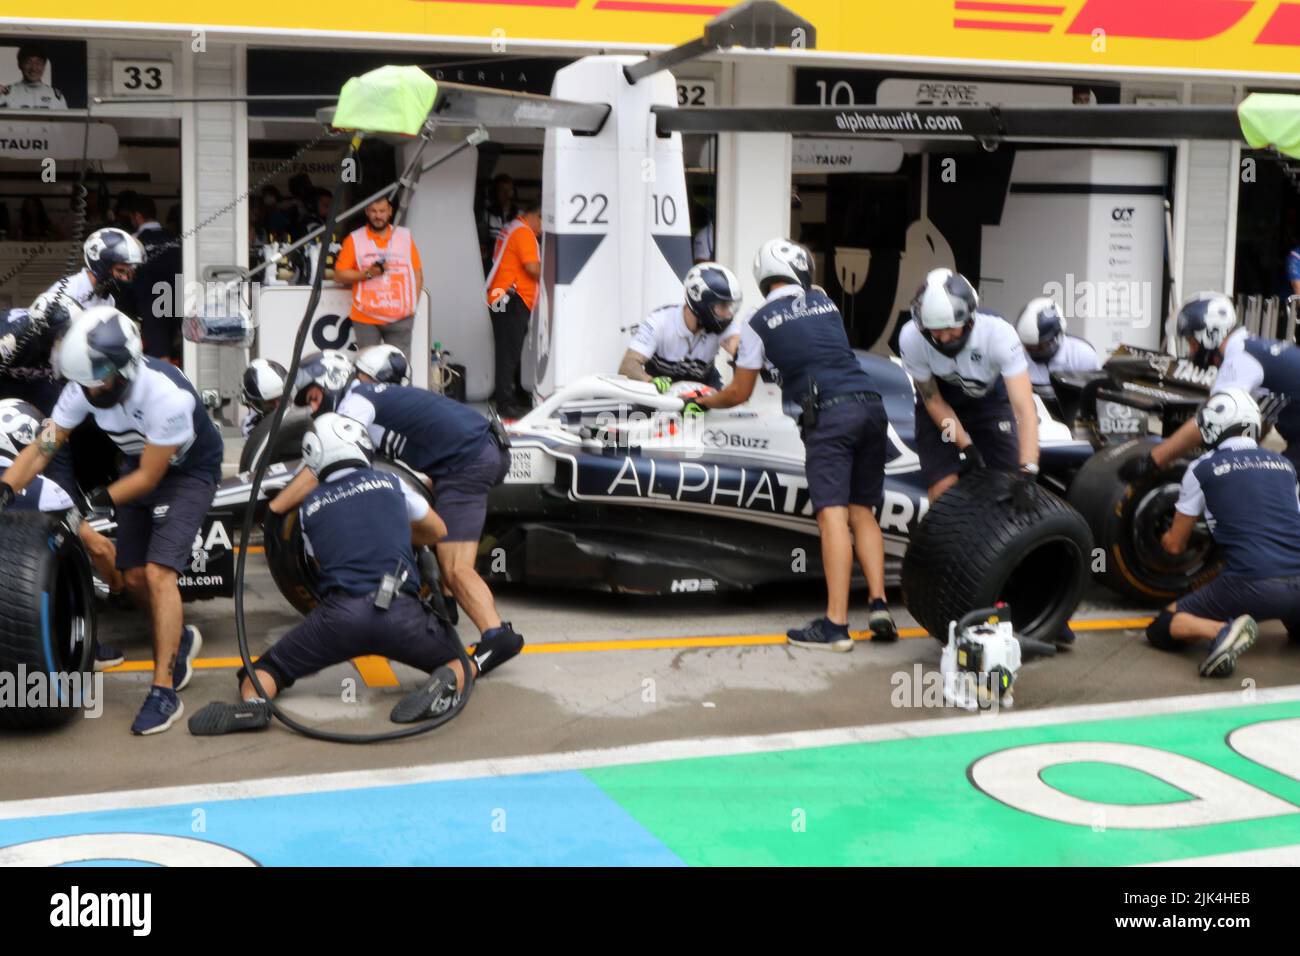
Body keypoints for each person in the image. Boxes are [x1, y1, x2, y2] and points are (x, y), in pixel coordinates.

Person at [190, 415, 498, 734]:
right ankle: (442, 688)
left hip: (340, 618)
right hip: (401, 614)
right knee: (462, 663)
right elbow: (437, 530)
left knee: (264, 670)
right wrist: (392, 531)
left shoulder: (309, 509)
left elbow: (321, 564)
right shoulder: (392, 483)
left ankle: (254, 706)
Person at [0, 307, 223, 735]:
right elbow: (44, 448)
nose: (90, 387)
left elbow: (150, 478)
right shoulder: (84, 389)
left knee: (159, 573)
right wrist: (5, 489)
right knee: (132, 577)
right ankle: (180, 644)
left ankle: (163, 692)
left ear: (125, 368)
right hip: (141, 460)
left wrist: (87, 503)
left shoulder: (165, 396)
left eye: (98, 377)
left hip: (185, 473)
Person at [685, 238, 898, 651]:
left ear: (763, 278)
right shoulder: (826, 303)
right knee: (862, 512)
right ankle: (878, 605)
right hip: (871, 407)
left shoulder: (756, 322)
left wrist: (704, 402)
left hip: (829, 417)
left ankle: (835, 626)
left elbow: (739, 393)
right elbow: (812, 348)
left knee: (832, 517)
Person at [271, 351, 524, 671]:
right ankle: (445, 607)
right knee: (435, 533)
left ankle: (496, 635)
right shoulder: (367, 399)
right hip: (471, 456)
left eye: (314, 397)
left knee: (455, 566)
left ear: (332, 383)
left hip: (467, 460)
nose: (314, 408)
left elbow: (320, 468)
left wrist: (274, 507)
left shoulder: (356, 401)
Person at [1150, 388, 1300, 677]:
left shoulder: (1201, 468)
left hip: (1254, 584)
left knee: (1161, 627)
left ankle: (1223, 630)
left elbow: (1173, 546)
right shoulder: (1284, 465)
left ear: (1211, 427)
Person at [898, 268, 1040, 506]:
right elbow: (933, 400)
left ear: (969, 318)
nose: (943, 338)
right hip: (942, 401)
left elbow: (1024, 408)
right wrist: (966, 444)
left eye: (949, 329)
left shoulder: (999, 334)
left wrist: (1028, 469)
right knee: (944, 487)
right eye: (935, 330)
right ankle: (940, 540)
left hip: (989, 402)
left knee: (1007, 484)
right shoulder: (911, 337)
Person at [1122, 292, 1300, 480]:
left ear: (1209, 334)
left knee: (1273, 492)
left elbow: (1210, 418)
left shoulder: (1241, 359)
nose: (1191, 351)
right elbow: (1261, 418)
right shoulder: (1253, 349)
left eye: (1191, 342)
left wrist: (1152, 461)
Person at [620, 263, 742, 391]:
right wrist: (651, 382)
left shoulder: (723, 325)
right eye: (723, 306)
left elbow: (740, 348)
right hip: (661, 392)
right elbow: (628, 365)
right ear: (701, 301)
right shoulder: (659, 321)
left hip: (703, 390)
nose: (728, 313)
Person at [333, 196, 423, 357]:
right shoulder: (354, 239)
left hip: (400, 318)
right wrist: (368, 273)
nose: (378, 215)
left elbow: (417, 273)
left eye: (382, 211)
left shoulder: (404, 237)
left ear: (390, 212)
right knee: (368, 368)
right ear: (367, 212)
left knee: (399, 369)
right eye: (373, 211)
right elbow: (339, 275)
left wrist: (412, 307)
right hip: (366, 317)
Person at [485, 202, 542, 419]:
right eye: (542, 226)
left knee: (507, 350)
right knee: (508, 353)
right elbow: (532, 267)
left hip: (501, 295)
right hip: (511, 298)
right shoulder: (524, 233)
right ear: (537, 217)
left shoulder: (512, 227)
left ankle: (511, 395)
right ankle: (505, 403)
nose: (541, 232)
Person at [120, 193, 183, 361]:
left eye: (132, 217)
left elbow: (126, 277)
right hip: (179, 302)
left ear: (138, 217)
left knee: (161, 359)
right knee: (186, 352)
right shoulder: (176, 239)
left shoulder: (133, 242)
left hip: (151, 306)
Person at [1015, 296, 1101, 387]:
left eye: (1040, 347)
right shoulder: (1018, 356)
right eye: (1029, 347)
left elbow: (1094, 393)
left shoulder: (1083, 355)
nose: (1035, 352)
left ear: (1057, 336)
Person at [0, 45, 68, 110]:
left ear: (44, 66)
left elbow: (64, 121)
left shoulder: (55, 96)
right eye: (28, 62)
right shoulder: (7, 93)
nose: (33, 68)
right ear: (20, 65)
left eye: (38, 63)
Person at [240, 358, 287, 439]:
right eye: (270, 402)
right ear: (253, 403)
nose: (278, 406)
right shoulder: (250, 428)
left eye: (282, 398)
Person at [479, 173, 518, 265]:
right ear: (494, 193)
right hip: (491, 263)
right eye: (502, 190)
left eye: (509, 190)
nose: (507, 194)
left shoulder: (520, 216)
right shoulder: (486, 215)